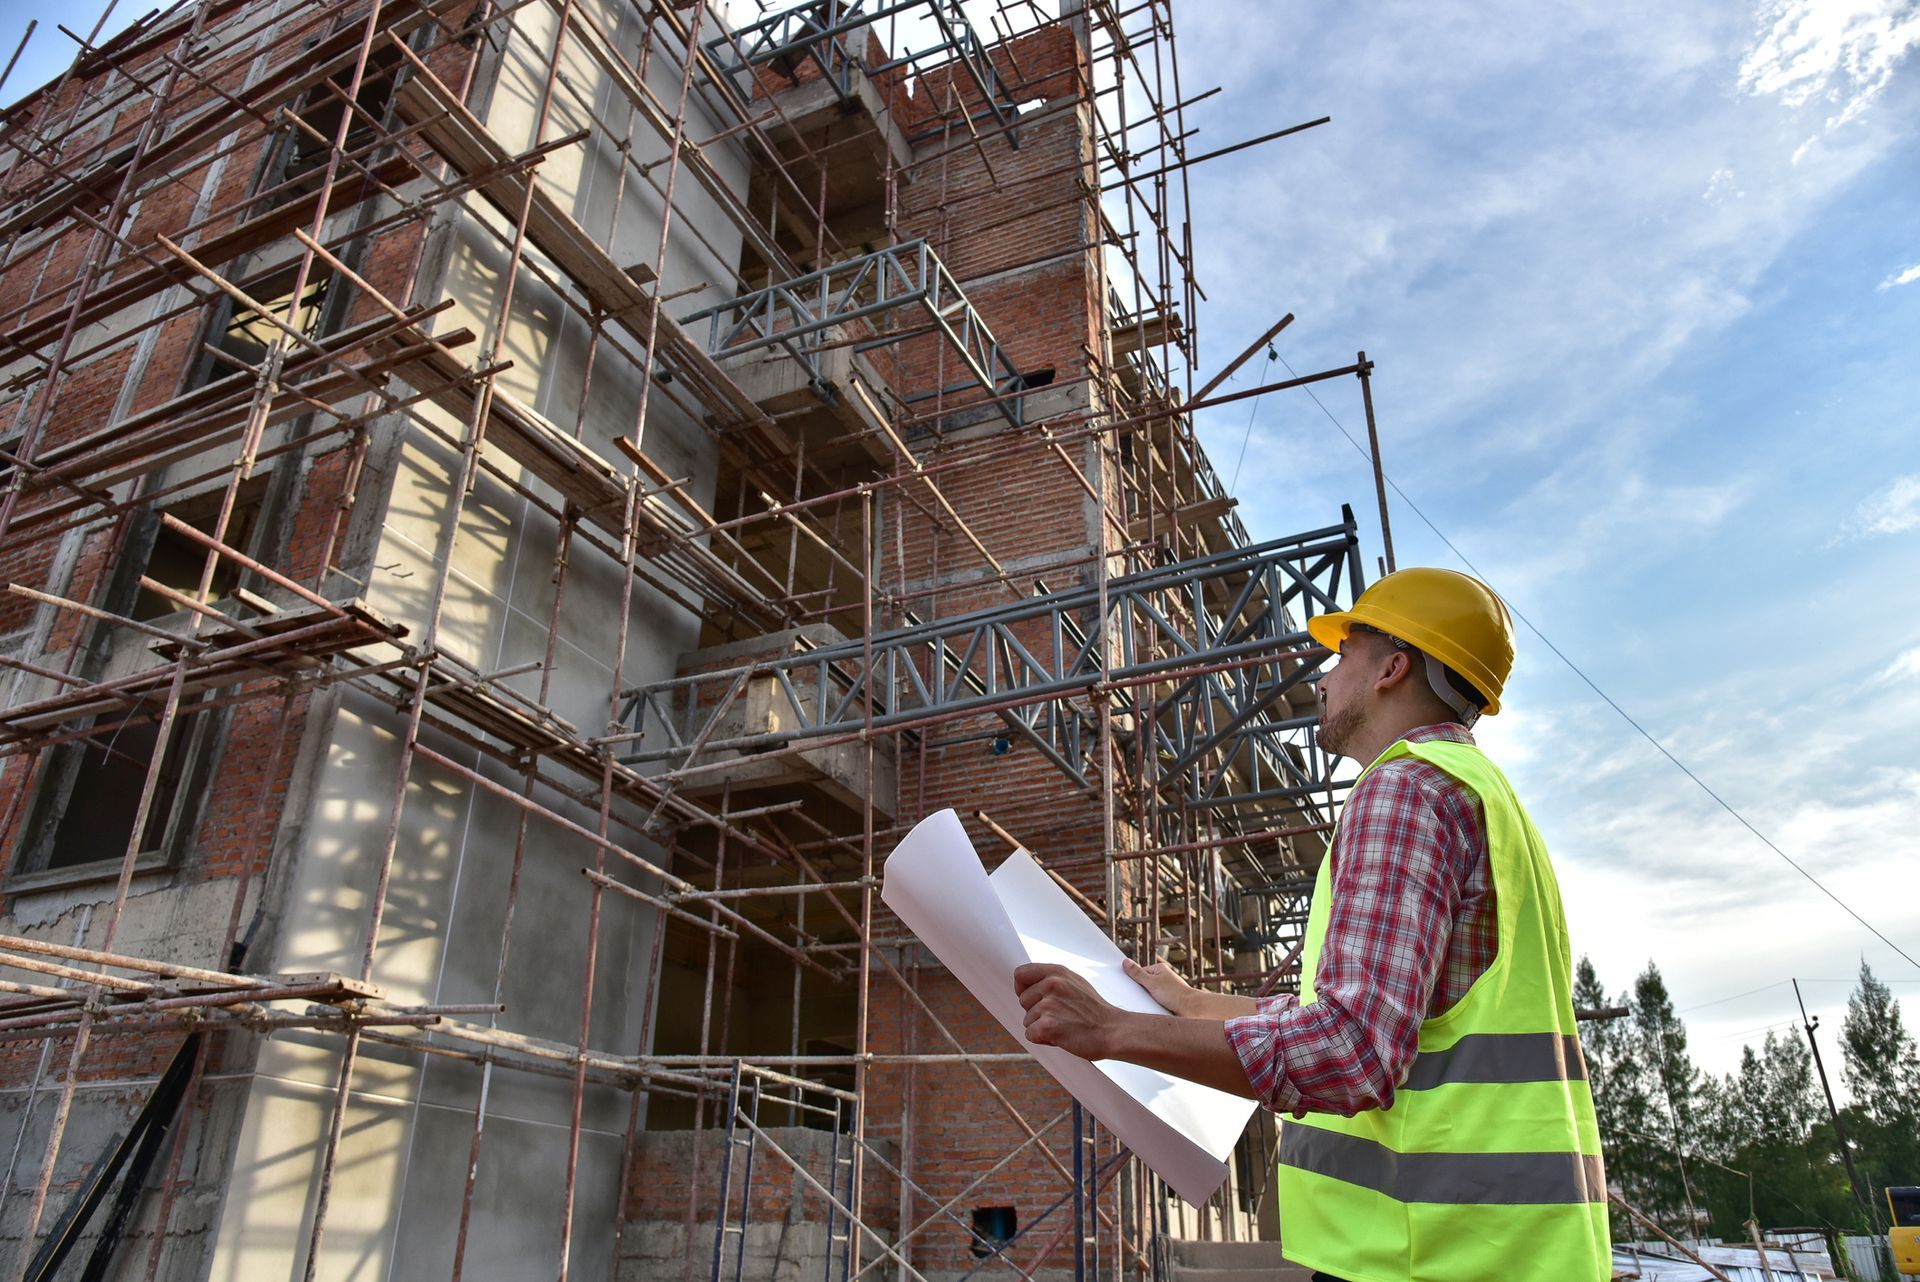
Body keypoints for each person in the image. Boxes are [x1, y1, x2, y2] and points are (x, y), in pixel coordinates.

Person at [1012, 567, 1609, 1282]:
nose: (1324, 679)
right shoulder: (1483, 797)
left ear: (1393, 667)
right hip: (1505, 1250)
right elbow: (1399, 1024)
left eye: (1342, 655)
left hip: (1426, 1254)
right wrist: (1197, 1004)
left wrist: (1115, 1032)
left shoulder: (1403, 791)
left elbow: (1354, 1050)